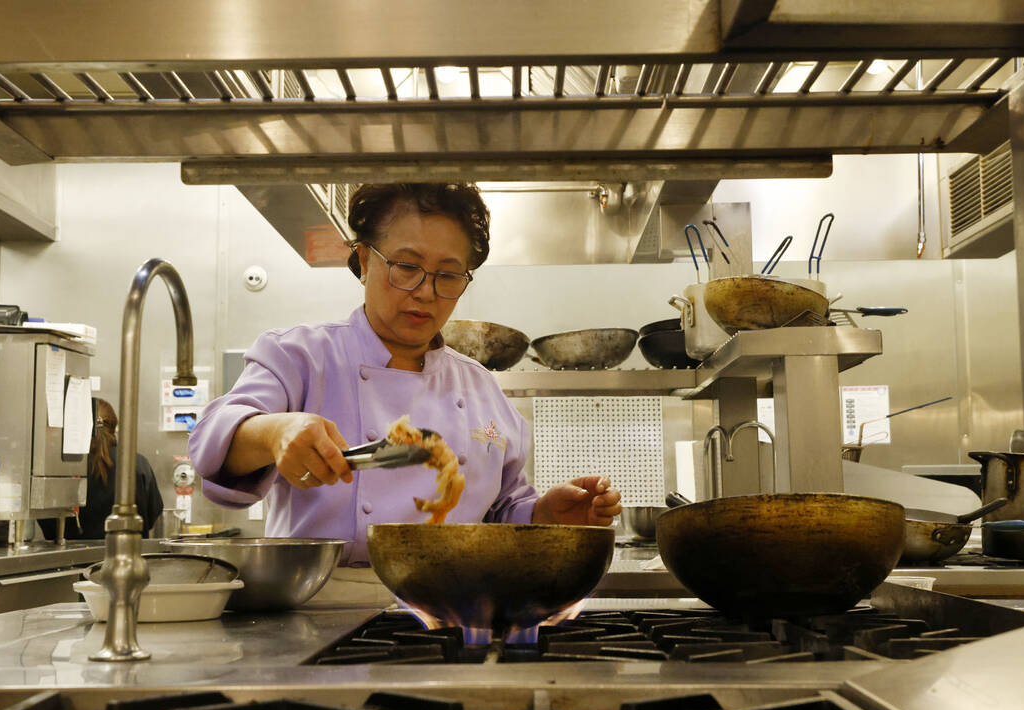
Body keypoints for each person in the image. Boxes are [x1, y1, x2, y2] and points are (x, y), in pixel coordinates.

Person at [188, 182, 622, 566]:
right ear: (364, 259)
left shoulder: (481, 387)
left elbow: (502, 512)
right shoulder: (301, 357)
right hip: (322, 610)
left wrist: (545, 515)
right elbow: (212, 441)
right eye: (407, 267)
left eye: (448, 275)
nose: (425, 292)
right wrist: (274, 433)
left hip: (451, 611)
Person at [38, 398, 164, 540]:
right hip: (129, 555)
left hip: (72, 559)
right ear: (114, 426)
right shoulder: (137, 463)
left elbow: (47, 520)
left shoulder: (64, 465)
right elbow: (153, 513)